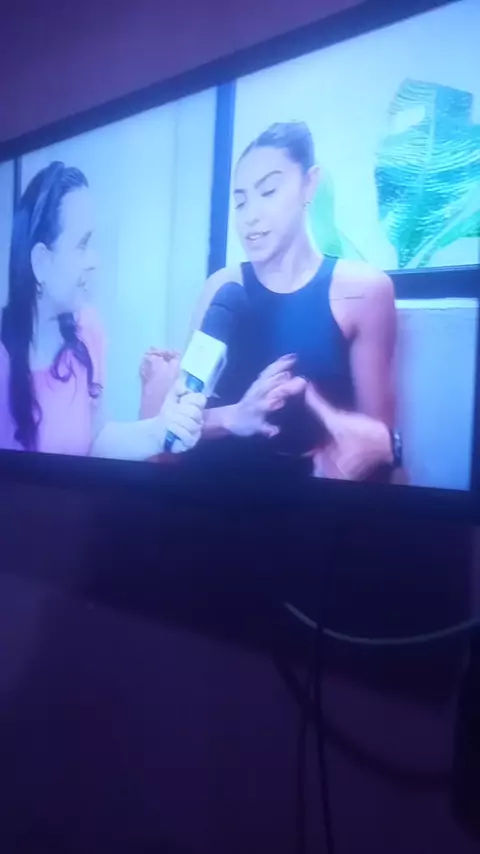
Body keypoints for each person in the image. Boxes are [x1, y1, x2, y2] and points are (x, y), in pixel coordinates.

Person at [188, 121, 398, 481]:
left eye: (268, 191)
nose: (250, 216)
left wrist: (350, 456)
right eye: (240, 202)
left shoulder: (365, 291)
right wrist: (235, 415)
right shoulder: (221, 288)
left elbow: (377, 444)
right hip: (206, 492)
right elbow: (177, 425)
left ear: (309, 184)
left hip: (310, 505)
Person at [0, 162, 205, 459]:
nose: (94, 260)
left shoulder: (88, 329)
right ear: (42, 261)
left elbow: (95, 440)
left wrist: (160, 430)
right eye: (82, 245)